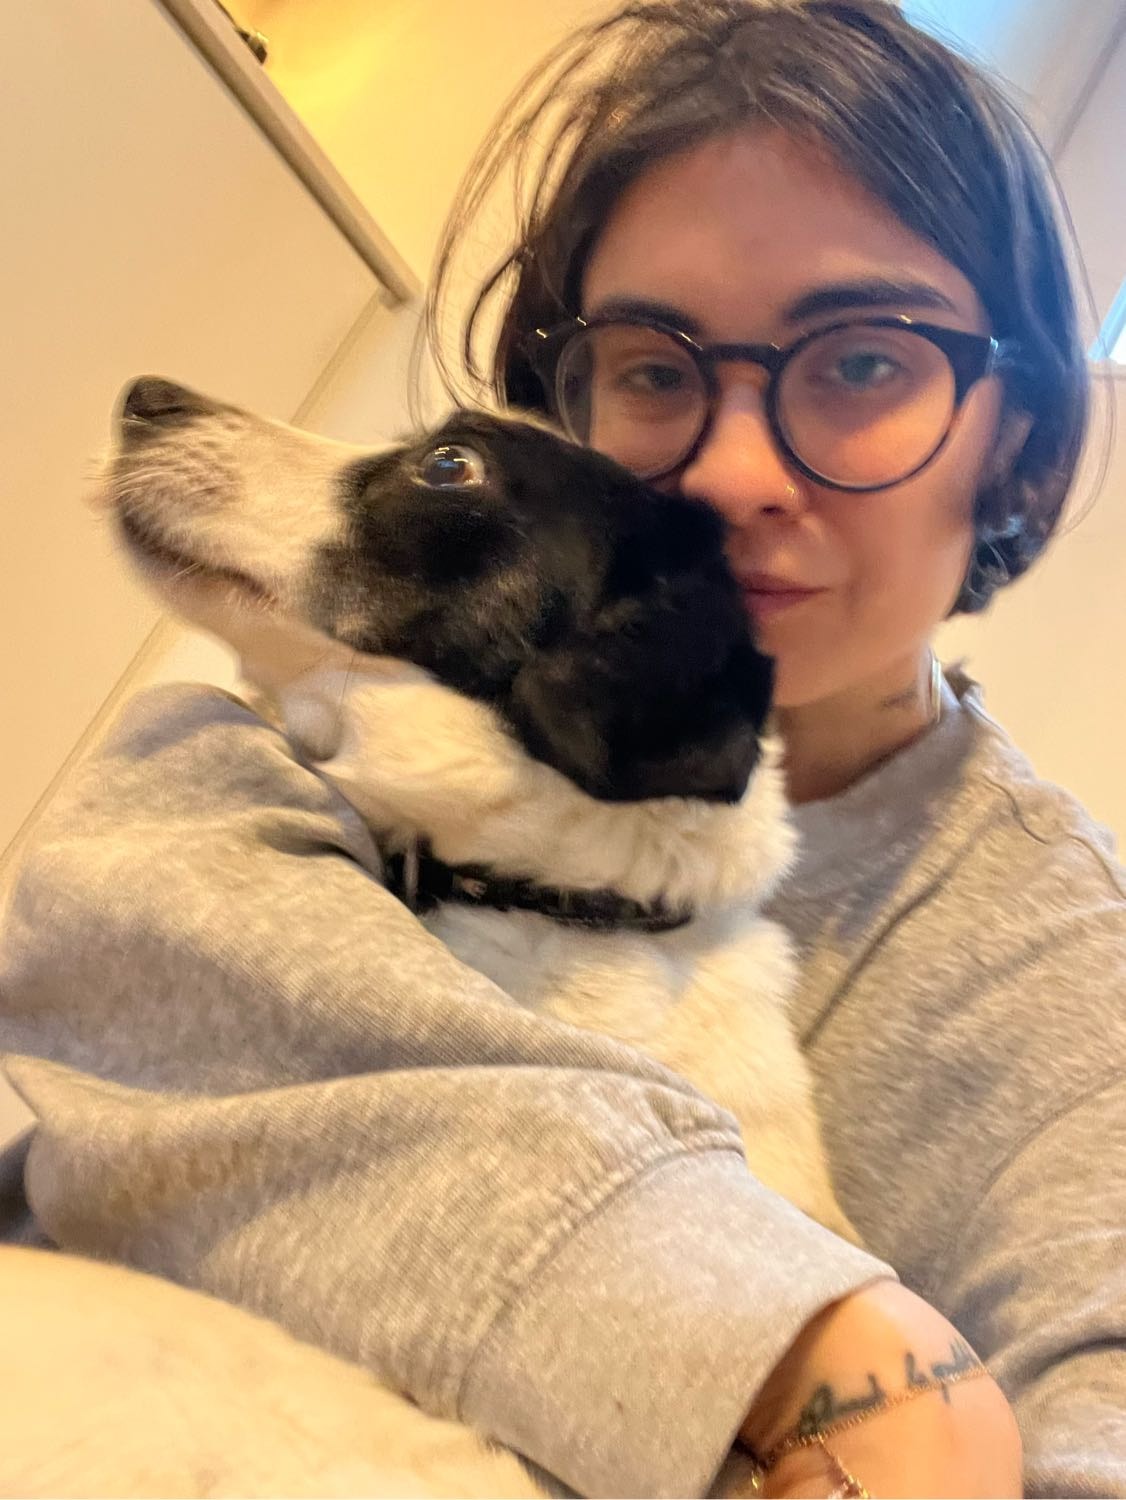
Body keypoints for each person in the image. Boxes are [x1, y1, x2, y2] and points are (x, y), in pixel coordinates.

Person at [1, 0, 1122, 1495]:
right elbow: (117, 925)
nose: (731, 473)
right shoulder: (373, 721)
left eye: (862, 362)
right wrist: (777, 1338)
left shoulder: (1061, 978)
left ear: (1019, 442)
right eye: (654, 368)